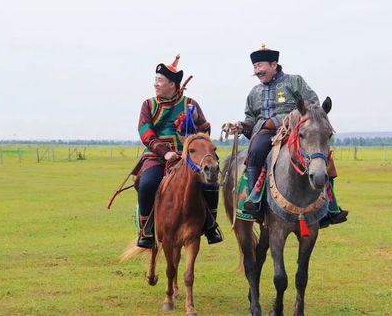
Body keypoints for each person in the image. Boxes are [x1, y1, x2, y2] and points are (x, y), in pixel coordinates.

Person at [230, 45, 348, 228]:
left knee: (321, 155)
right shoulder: (254, 92)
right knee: (255, 151)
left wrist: (282, 120)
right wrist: (242, 126)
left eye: (260, 66)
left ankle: (330, 208)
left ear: (274, 64)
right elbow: (250, 118)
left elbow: (313, 105)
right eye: (255, 68)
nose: (257, 71)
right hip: (265, 134)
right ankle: (255, 202)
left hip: (296, 130)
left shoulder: (295, 82)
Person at [136, 54, 223, 248]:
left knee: (210, 183)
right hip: (157, 157)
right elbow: (145, 132)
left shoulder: (190, 105)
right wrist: (164, 151)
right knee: (147, 183)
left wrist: (192, 138)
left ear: (173, 84)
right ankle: (146, 230)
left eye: (160, 80)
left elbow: (205, 128)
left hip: (188, 158)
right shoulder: (148, 105)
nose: (156, 84)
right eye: (156, 80)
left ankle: (210, 226)